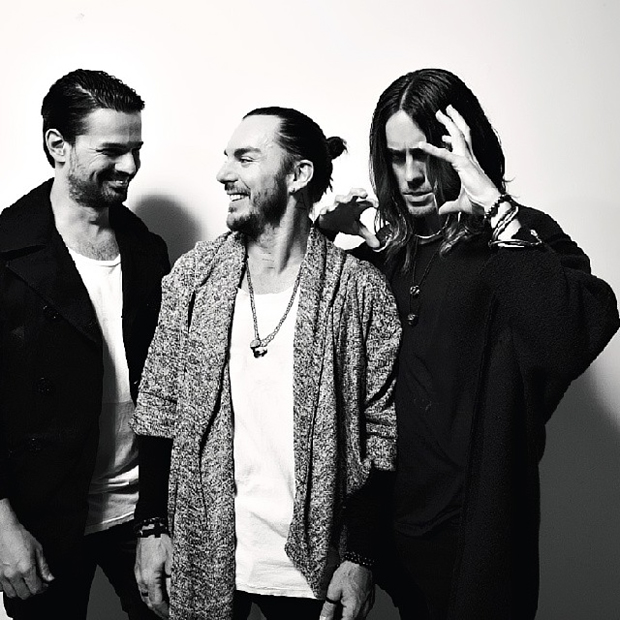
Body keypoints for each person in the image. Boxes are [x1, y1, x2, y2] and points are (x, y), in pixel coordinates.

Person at [317, 68, 620, 620]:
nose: (411, 175)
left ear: (465, 150)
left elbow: (575, 332)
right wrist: (327, 223)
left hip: (473, 535)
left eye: (426, 155)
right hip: (384, 535)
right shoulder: (385, 252)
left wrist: (497, 210)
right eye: (396, 158)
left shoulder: (516, 236)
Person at [130, 106, 401, 620]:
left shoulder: (359, 291)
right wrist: (151, 526)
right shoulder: (194, 277)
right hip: (204, 553)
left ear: (299, 175)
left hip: (311, 566)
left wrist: (362, 557)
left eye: (245, 158)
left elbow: (381, 434)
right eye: (226, 157)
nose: (223, 173)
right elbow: (159, 410)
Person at [0, 69, 170, 620]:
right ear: (58, 145)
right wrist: (1, 526)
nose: (131, 166)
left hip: (142, 511)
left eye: (136, 149)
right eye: (112, 151)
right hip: (41, 517)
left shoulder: (147, 249)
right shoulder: (6, 250)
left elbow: (169, 387)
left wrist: (161, 517)